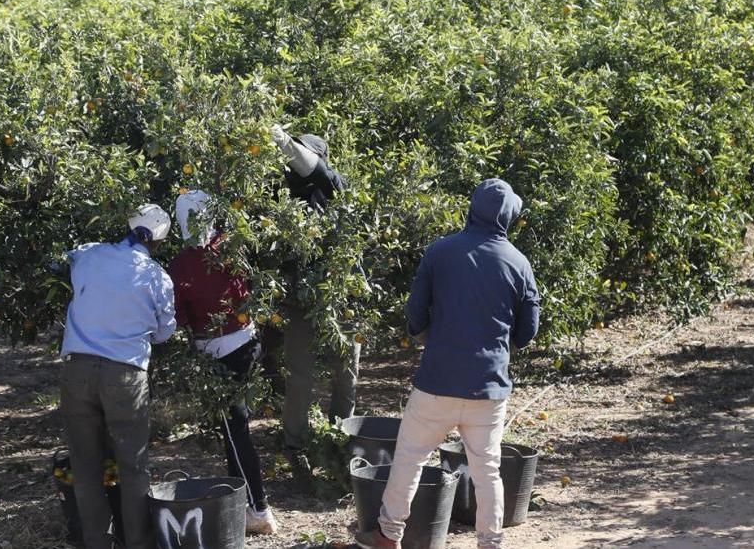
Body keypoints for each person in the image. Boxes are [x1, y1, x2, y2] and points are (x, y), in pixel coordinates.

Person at [356, 179, 540, 549]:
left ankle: (388, 534)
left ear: (472, 210)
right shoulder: (519, 263)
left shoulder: (440, 251)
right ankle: (490, 542)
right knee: (487, 469)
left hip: (437, 381)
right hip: (488, 388)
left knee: (408, 458)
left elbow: (414, 311)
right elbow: (528, 329)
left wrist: (426, 337)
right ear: (507, 217)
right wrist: (504, 348)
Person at [59, 203, 177, 549]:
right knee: (133, 465)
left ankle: (97, 542)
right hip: (125, 374)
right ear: (158, 241)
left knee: (85, 464)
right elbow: (164, 332)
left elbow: (67, 264)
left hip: (77, 369)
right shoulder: (157, 277)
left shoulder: (89, 255)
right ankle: (138, 542)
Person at [167, 190, 279, 535]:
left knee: (235, 431)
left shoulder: (183, 264)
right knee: (235, 427)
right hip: (248, 344)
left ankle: (259, 509)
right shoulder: (231, 245)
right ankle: (245, 505)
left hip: (220, 354)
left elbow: (180, 316)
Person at [264, 124, 360, 483]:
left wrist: (284, 142)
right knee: (300, 376)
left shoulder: (334, 187)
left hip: (340, 296)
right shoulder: (285, 197)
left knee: (344, 373)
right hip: (300, 300)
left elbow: (317, 171)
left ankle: (341, 439)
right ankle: (295, 447)